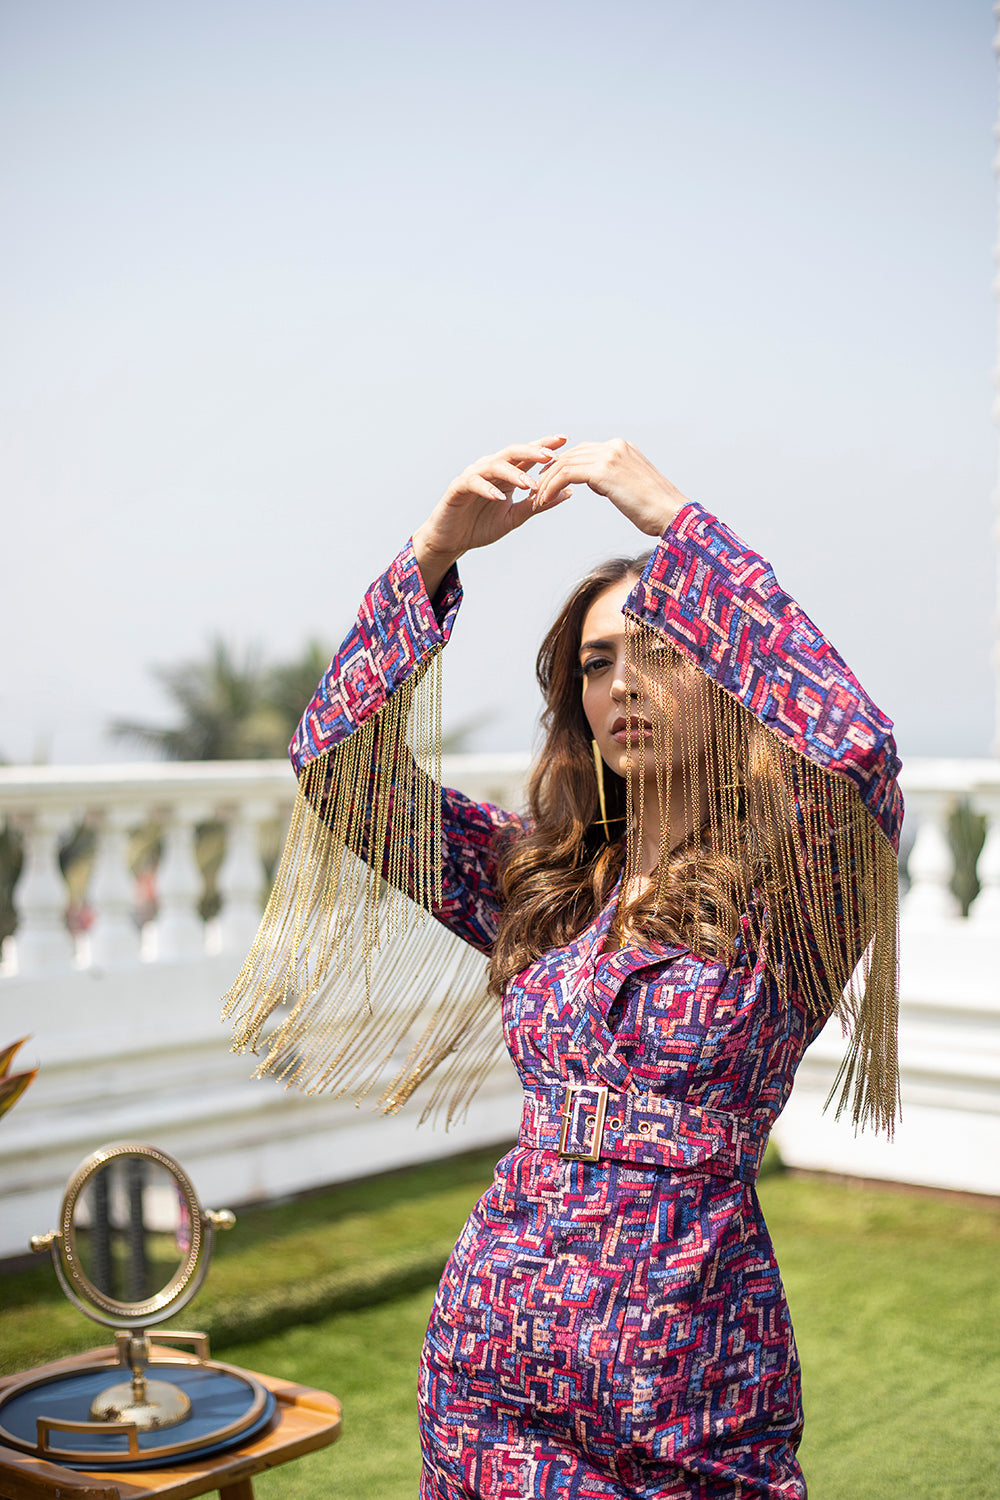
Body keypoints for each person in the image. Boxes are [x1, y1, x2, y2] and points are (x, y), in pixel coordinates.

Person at [224, 435, 903, 1499]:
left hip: (689, 1368)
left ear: (727, 676)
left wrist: (676, 524)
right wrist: (434, 551)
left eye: (662, 650)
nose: (624, 684)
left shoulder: (791, 888)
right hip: (492, 1354)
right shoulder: (538, 881)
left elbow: (859, 753)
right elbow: (340, 771)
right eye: (597, 663)